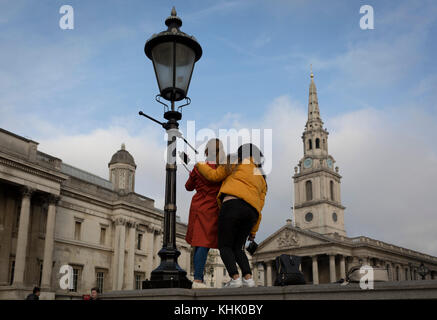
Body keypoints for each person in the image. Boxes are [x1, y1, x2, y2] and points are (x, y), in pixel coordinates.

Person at [195, 143, 267, 288]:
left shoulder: (235, 161)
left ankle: (235, 278)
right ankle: (248, 279)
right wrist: (253, 232)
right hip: (251, 213)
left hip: (232, 206)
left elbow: (214, 176)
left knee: (225, 246)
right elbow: (260, 206)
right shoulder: (262, 177)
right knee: (238, 248)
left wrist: (199, 164)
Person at [185, 138, 226, 289]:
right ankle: (198, 279)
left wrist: (193, 174)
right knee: (204, 244)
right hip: (212, 207)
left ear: (207, 151)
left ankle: (198, 278)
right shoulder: (222, 169)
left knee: (199, 243)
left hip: (197, 206)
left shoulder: (199, 167)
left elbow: (188, 187)